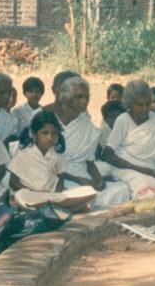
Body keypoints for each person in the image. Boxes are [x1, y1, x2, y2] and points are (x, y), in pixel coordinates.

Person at [52, 76, 131, 209]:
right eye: (79, 97)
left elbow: (89, 163)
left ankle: (87, 205)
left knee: (122, 189)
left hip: (82, 174)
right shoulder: (50, 122)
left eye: (86, 97)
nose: (84, 101)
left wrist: (98, 181)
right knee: (78, 194)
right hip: (58, 177)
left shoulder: (88, 126)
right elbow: (46, 163)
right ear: (66, 97)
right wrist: (78, 180)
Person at [103, 80, 155, 200]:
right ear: (130, 105)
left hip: (152, 172)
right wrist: (140, 169)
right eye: (140, 105)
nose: (145, 108)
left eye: (148, 104)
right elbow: (108, 155)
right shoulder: (123, 120)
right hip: (127, 170)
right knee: (147, 188)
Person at [8, 110, 96, 212]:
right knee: (21, 195)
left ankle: (54, 208)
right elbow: (13, 182)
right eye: (45, 133)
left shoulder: (57, 155)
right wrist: (36, 192)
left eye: (53, 133)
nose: (50, 138)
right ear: (34, 134)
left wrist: (55, 195)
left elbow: (60, 180)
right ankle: (62, 208)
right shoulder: (23, 153)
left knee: (89, 191)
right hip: (31, 195)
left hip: (52, 195)